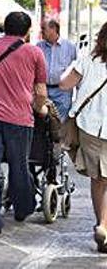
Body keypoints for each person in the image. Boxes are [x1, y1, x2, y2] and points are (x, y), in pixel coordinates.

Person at [0, 11, 48, 238]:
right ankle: (23, 208)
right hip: (19, 119)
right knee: (19, 166)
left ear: (5, 28)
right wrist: (41, 110)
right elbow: (41, 92)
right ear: (27, 32)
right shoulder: (34, 53)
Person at [60, 22, 107, 253]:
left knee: (98, 179)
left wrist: (73, 65)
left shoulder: (89, 60)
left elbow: (64, 83)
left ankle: (102, 224)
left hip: (91, 128)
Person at [37, 18, 77, 120]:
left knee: (60, 126)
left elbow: (76, 70)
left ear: (53, 29)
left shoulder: (70, 47)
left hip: (62, 94)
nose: (41, 32)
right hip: (43, 91)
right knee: (42, 123)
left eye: (43, 29)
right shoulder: (39, 47)